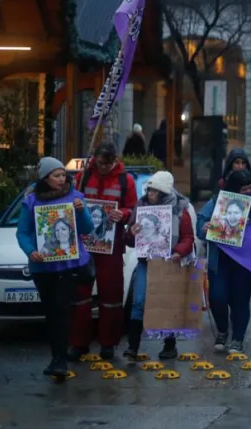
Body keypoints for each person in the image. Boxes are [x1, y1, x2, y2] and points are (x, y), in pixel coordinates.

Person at [16, 157, 94, 378]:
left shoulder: (75, 197)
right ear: (45, 178)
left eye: (63, 175)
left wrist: (81, 211)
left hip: (68, 266)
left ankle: (60, 361)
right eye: (57, 175)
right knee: (51, 312)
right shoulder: (31, 201)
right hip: (42, 268)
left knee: (61, 309)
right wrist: (31, 251)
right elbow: (22, 232)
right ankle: (56, 357)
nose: (62, 179)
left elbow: (88, 228)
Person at [197, 166, 251, 354]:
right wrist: (204, 227)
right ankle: (223, 331)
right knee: (217, 297)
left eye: (250, 187)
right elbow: (200, 221)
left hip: (246, 261)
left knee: (240, 299)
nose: (248, 191)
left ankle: (237, 339)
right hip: (221, 259)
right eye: (243, 189)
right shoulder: (217, 201)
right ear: (233, 189)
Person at [69, 142, 137, 361]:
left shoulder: (125, 180)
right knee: (80, 295)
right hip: (85, 245)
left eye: (108, 164)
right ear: (95, 159)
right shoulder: (83, 177)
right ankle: (79, 343)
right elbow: (71, 201)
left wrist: (124, 214)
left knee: (112, 296)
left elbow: (134, 208)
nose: (104, 167)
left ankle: (108, 344)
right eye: (100, 163)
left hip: (112, 245)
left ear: (115, 160)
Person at [124, 170, 194, 361]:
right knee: (138, 301)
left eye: (154, 191)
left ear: (163, 192)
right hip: (146, 262)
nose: (150, 194)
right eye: (149, 190)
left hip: (169, 263)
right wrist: (132, 233)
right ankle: (132, 347)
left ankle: (169, 346)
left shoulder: (180, 209)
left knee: (168, 304)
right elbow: (129, 240)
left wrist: (178, 251)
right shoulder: (140, 207)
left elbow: (188, 237)